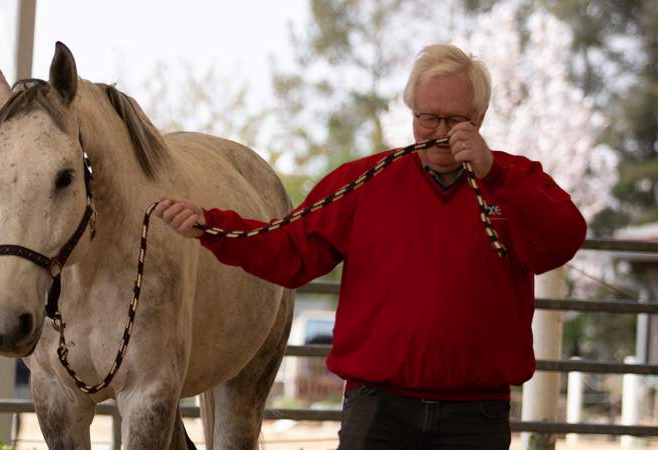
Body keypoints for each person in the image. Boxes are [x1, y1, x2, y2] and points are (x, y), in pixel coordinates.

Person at [155, 44, 587, 449]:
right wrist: (212, 227)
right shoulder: (365, 182)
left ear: (481, 116)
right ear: (411, 113)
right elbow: (291, 250)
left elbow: (562, 239)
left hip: (475, 414)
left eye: (455, 121)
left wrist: (493, 173)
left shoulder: (513, 181)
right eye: (427, 118)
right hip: (378, 410)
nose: (439, 133)